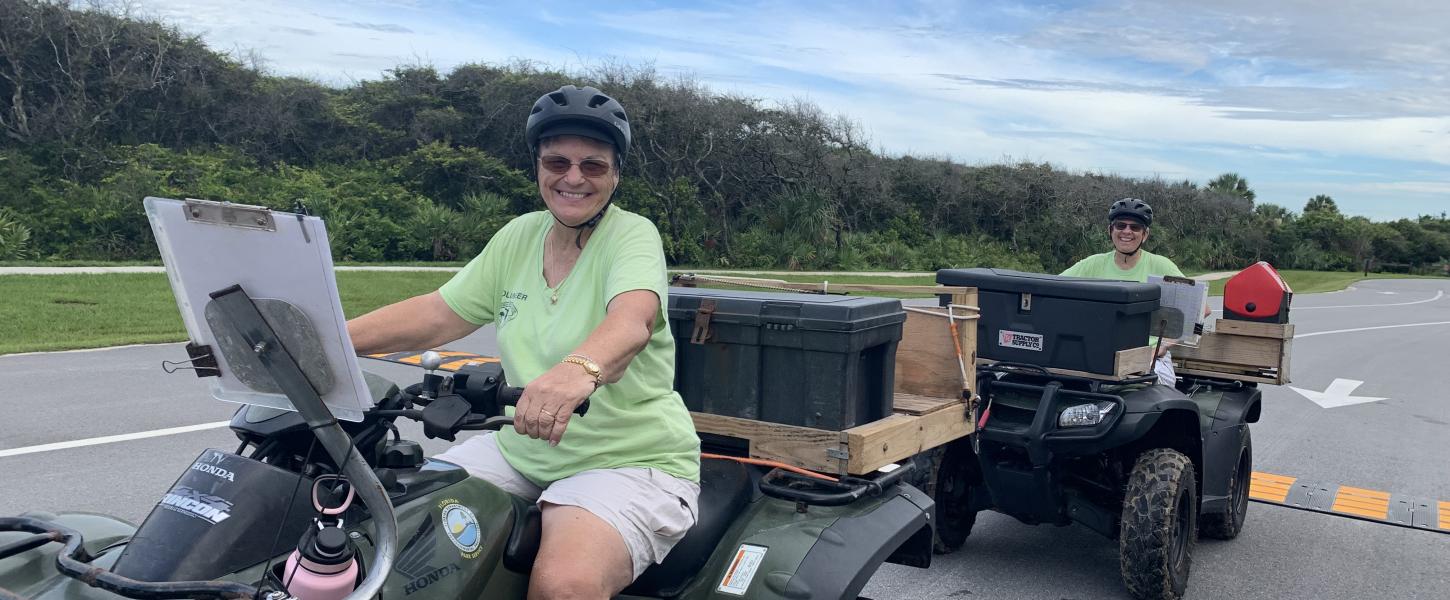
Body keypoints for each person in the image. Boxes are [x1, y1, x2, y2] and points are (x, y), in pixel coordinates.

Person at [347, 85, 699, 600]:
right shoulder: (518, 235)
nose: (573, 177)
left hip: (628, 460)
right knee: (387, 525)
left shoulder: (632, 235)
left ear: (616, 173)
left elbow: (632, 321)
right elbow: (437, 314)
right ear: (537, 166)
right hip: (519, 448)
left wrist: (576, 370)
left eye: (593, 166)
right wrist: (320, 342)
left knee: (563, 584)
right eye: (557, 161)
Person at [1061, 198, 1204, 386]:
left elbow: (1200, 309)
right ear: (1110, 230)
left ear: (1145, 235)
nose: (1127, 231)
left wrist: (1164, 346)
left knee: (1149, 391)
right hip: (1095, 352)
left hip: (1148, 357)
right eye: (1120, 225)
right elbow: (1055, 289)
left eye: (1135, 227)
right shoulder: (1093, 264)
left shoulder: (1160, 265)